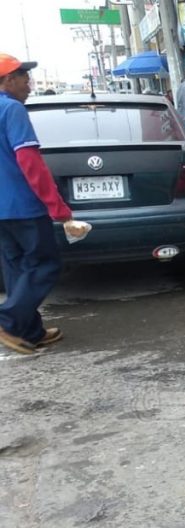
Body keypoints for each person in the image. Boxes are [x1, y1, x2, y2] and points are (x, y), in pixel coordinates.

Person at [0, 54, 74, 354]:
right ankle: (7, 320)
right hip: (23, 206)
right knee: (45, 264)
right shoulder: (12, 109)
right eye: (23, 76)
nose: (29, 84)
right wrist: (58, 207)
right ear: (7, 80)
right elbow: (30, 162)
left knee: (18, 268)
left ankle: (29, 331)